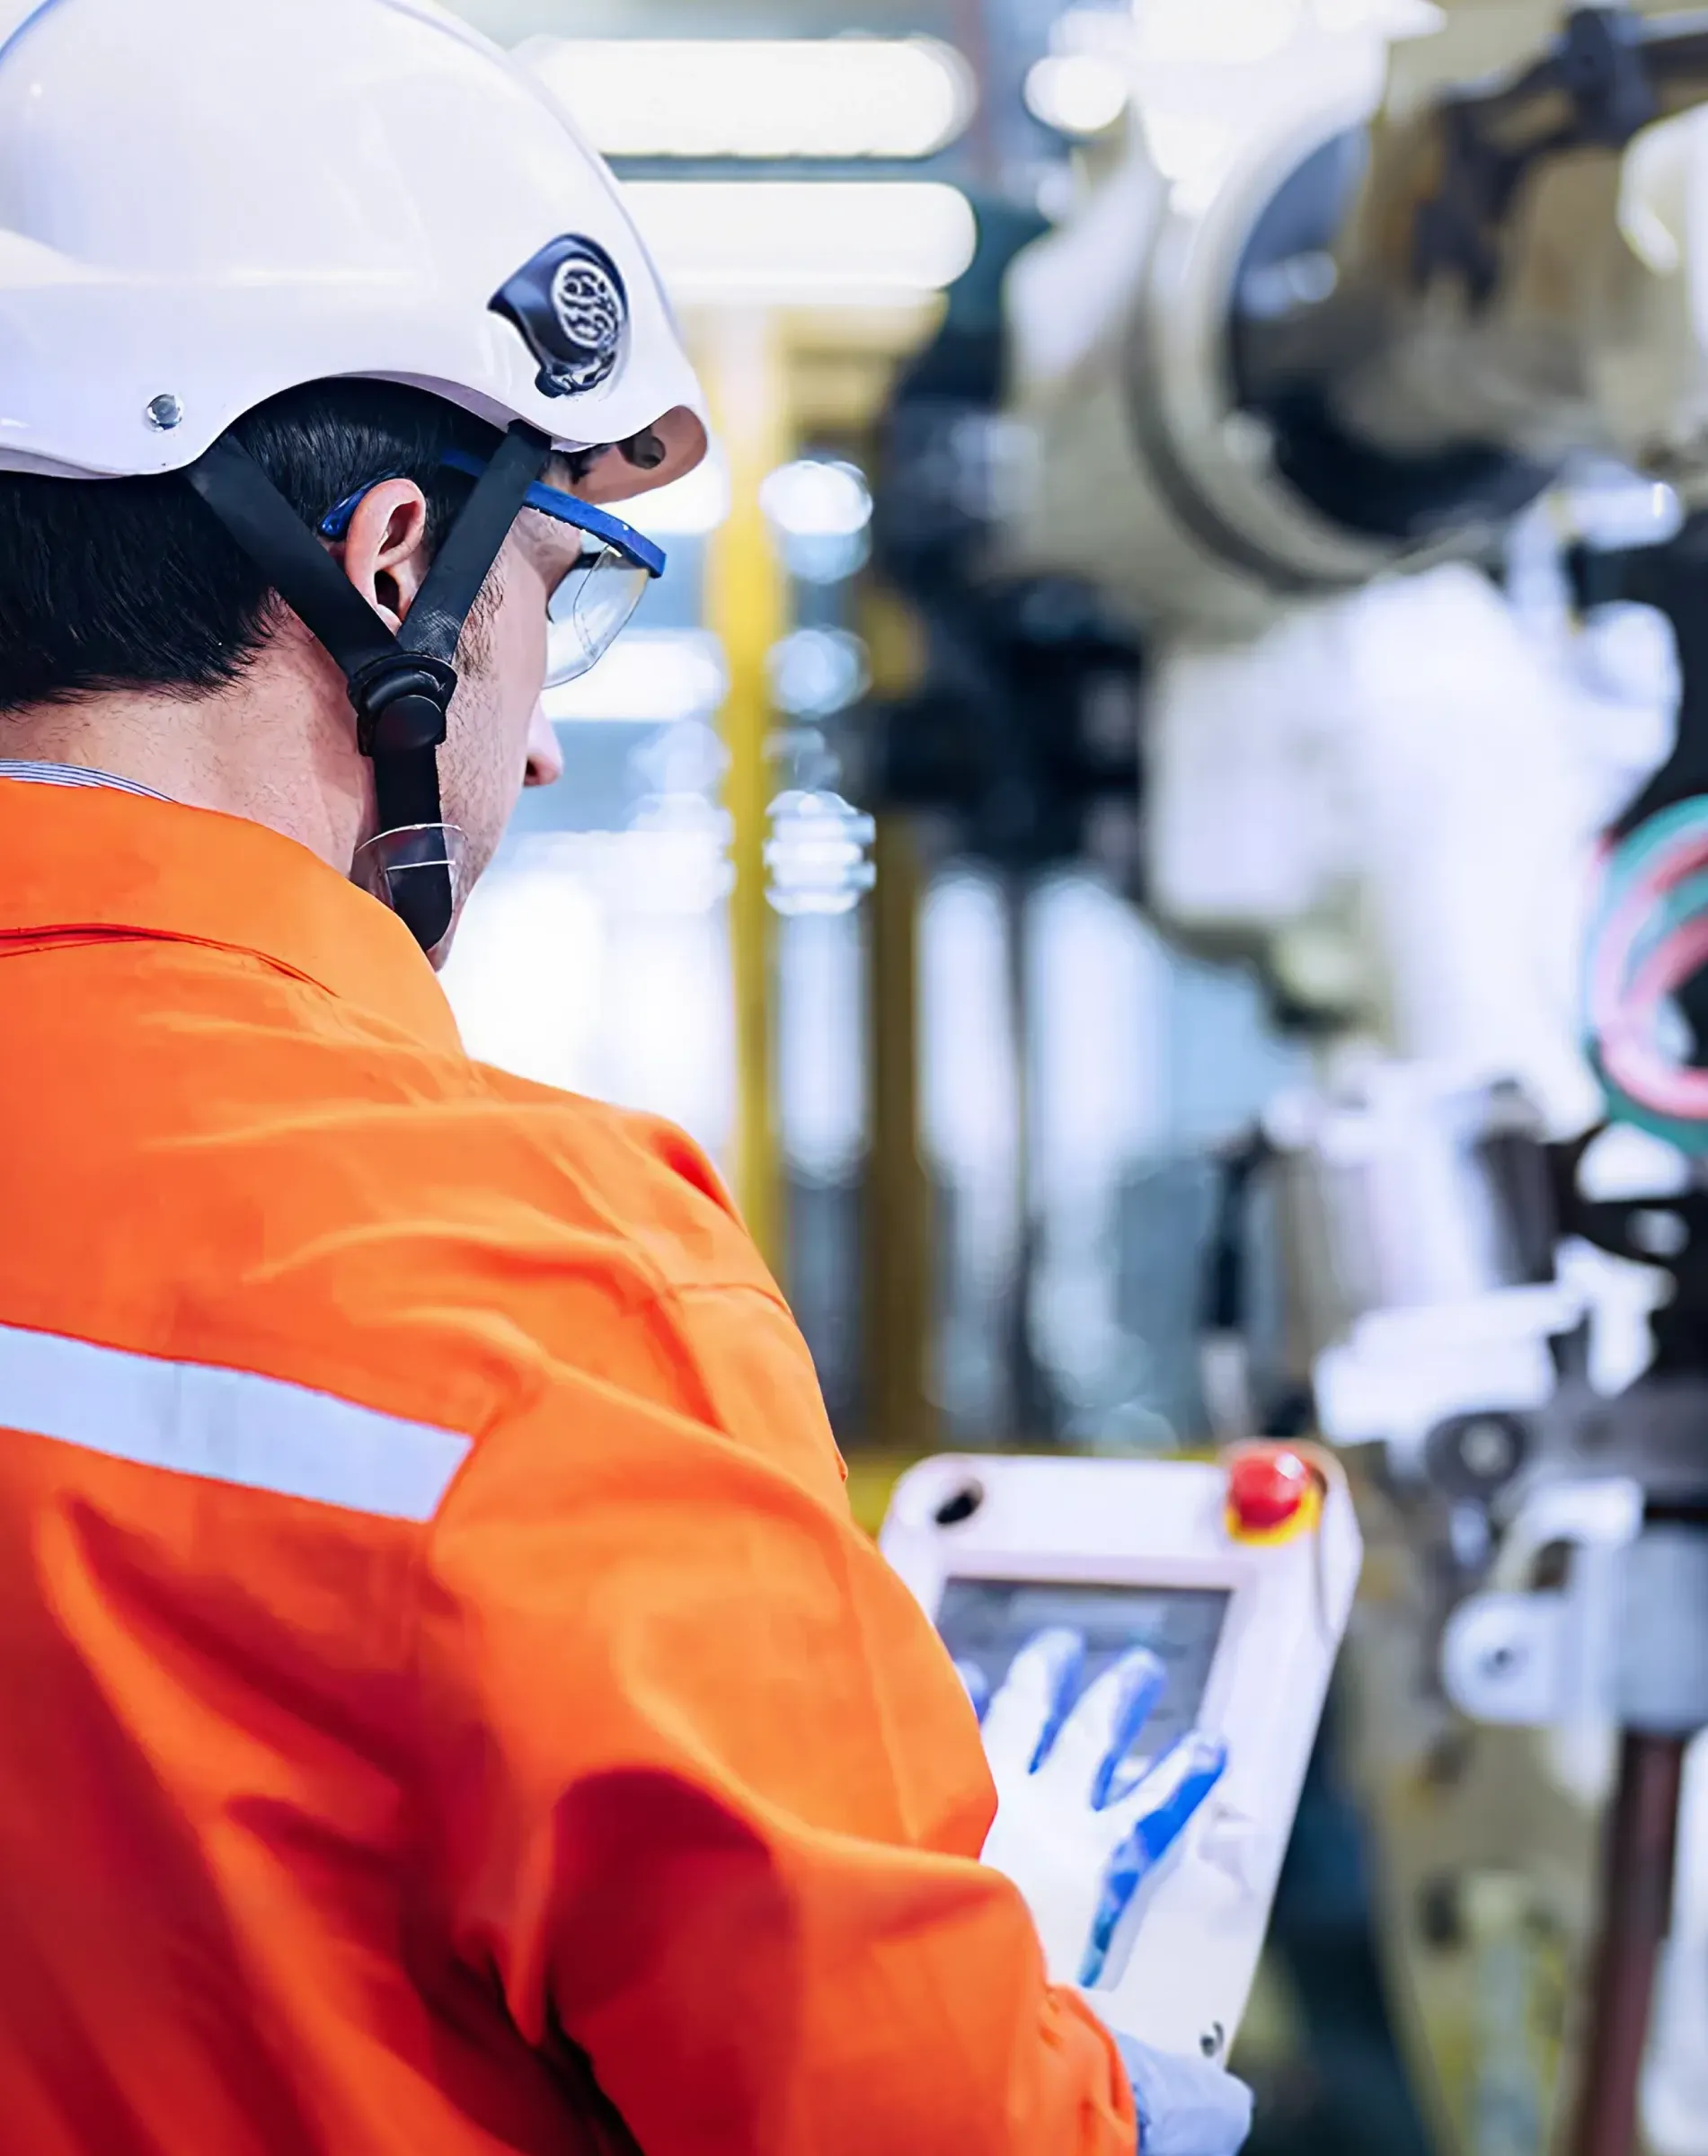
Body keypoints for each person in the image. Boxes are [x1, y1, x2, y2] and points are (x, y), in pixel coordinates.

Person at [0, 2, 1252, 2150]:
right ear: (391, 562)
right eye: (549, 600)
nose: (549, 734)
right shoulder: (525, 1296)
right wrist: (1116, 2082)